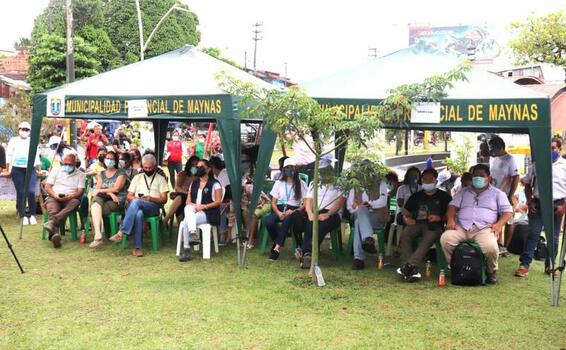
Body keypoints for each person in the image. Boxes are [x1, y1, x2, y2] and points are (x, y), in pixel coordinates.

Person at [440, 164, 513, 284]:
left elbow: (508, 212)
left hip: (484, 229)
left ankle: (491, 272)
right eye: (475, 175)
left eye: (481, 176)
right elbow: (452, 206)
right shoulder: (463, 192)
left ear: (489, 178)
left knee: (491, 248)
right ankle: (456, 267)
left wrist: (499, 225)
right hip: (461, 227)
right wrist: (451, 219)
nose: (477, 178)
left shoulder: (498, 194)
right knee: (446, 239)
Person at [515, 138, 566, 277]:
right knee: (533, 234)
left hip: (557, 206)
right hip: (537, 204)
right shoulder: (537, 164)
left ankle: (550, 266)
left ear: (559, 149)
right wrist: (530, 200)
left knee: (553, 237)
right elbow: (526, 183)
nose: (550, 151)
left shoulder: (565, 166)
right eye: (548, 148)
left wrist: (564, 207)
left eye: (553, 148)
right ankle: (524, 265)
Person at [397, 168, 452, 281]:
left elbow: (450, 215)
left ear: (436, 181)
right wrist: (406, 218)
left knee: (428, 238)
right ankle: (411, 269)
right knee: (406, 234)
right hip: (417, 223)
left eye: (430, 179)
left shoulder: (444, 196)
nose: (427, 182)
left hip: (435, 226)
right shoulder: (416, 196)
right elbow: (405, 212)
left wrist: (439, 217)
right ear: (421, 181)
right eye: (424, 179)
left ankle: (409, 266)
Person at [108, 154, 169, 257]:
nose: (148, 170)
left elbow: (164, 199)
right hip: (138, 205)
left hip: (153, 206)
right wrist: (138, 199)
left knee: (136, 203)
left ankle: (122, 232)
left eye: (150, 168)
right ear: (142, 166)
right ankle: (137, 248)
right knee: (138, 214)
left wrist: (151, 198)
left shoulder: (160, 179)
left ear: (154, 166)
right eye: (145, 168)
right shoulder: (137, 178)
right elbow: (129, 196)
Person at [296, 154, 347, 269]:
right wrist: (310, 214)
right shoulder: (314, 183)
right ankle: (308, 254)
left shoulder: (339, 183)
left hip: (332, 213)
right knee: (310, 224)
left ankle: (305, 252)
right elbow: (308, 200)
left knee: (321, 226)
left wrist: (328, 214)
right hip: (316, 211)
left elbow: (340, 201)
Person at [178, 159, 223, 262]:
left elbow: (218, 201)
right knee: (187, 209)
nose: (197, 169)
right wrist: (195, 207)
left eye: (201, 167)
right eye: (197, 167)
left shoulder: (215, 184)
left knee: (186, 221)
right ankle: (193, 234)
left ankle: (186, 250)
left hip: (208, 213)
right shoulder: (194, 183)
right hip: (194, 211)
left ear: (208, 169)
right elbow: (188, 202)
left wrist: (204, 207)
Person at [264, 157, 308, 261]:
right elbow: (273, 203)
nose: (290, 170)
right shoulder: (279, 183)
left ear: (296, 169)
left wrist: (294, 211)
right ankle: (277, 239)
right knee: (269, 221)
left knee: (288, 219)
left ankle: (277, 249)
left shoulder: (301, 184)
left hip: (294, 210)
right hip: (280, 208)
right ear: (283, 169)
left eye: (292, 167)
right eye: (287, 168)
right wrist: (278, 213)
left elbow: (305, 204)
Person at [347, 169, 390, 270]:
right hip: (360, 216)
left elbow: (383, 202)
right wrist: (360, 207)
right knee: (360, 217)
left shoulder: (381, 183)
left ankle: (358, 259)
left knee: (359, 220)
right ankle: (368, 239)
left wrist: (369, 204)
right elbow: (349, 207)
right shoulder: (355, 184)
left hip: (378, 216)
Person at [43, 152, 86, 248]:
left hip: (70, 198)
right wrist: (54, 195)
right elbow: (47, 186)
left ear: (75, 163)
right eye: (65, 164)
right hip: (54, 197)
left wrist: (71, 196)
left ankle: (52, 223)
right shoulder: (56, 170)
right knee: (53, 209)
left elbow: (80, 191)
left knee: (75, 202)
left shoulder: (81, 174)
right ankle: (55, 235)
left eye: (70, 164)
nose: (67, 166)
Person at [88, 151, 127, 248]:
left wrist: (104, 191)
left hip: (117, 200)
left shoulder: (121, 173)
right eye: (107, 158)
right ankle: (98, 234)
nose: (109, 161)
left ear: (116, 161)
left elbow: (117, 189)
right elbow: (97, 190)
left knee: (95, 207)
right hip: (104, 198)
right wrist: (109, 192)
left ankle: (99, 236)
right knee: (96, 202)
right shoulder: (102, 174)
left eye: (111, 159)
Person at [488, 136, 520, 251]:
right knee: (496, 220)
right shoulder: (493, 158)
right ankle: (497, 245)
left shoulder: (510, 159)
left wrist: (510, 195)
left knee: (508, 221)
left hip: (507, 195)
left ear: (500, 147)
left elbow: (515, 177)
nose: (491, 150)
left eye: (493, 147)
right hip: (494, 194)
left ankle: (506, 247)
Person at [6, 121, 41, 225]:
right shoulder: (13, 140)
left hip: (31, 168)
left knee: (30, 191)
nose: (24, 131)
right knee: (21, 192)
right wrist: (8, 169)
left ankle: (32, 214)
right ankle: (23, 215)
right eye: (23, 129)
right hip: (17, 169)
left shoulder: (32, 140)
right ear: (19, 130)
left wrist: (39, 169)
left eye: (27, 130)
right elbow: (9, 154)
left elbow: (36, 156)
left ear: (29, 131)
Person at [163, 156, 199, 226]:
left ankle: (166, 220)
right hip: (183, 196)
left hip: (195, 198)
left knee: (179, 199)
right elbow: (177, 188)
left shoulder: (200, 177)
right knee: (180, 200)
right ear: (189, 165)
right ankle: (179, 226)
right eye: (193, 165)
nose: (194, 167)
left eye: (196, 165)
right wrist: (187, 192)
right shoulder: (182, 174)